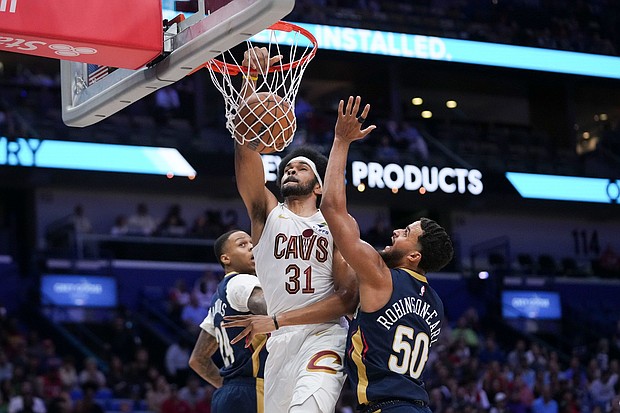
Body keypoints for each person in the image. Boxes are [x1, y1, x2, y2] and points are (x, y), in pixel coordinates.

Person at [222, 46, 359, 413]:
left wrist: (277, 318)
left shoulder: (335, 225)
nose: (289, 170)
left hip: (323, 338)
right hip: (279, 342)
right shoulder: (267, 214)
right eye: (286, 167)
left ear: (319, 186)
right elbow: (246, 153)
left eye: (300, 168)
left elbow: (347, 300)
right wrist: (250, 82)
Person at [320, 96, 454, 412]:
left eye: (406, 233)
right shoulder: (435, 304)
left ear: (414, 257)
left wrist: (341, 140)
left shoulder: (381, 276)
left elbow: (331, 208)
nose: (395, 232)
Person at [188, 230, 268, 413]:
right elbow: (271, 307)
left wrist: (230, 386)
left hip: (229, 395)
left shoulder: (218, 299)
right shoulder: (242, 282)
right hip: (254, 390)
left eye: (251, 242)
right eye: (242, 244)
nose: (251, 246)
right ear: (226, 258)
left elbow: (197, 360)